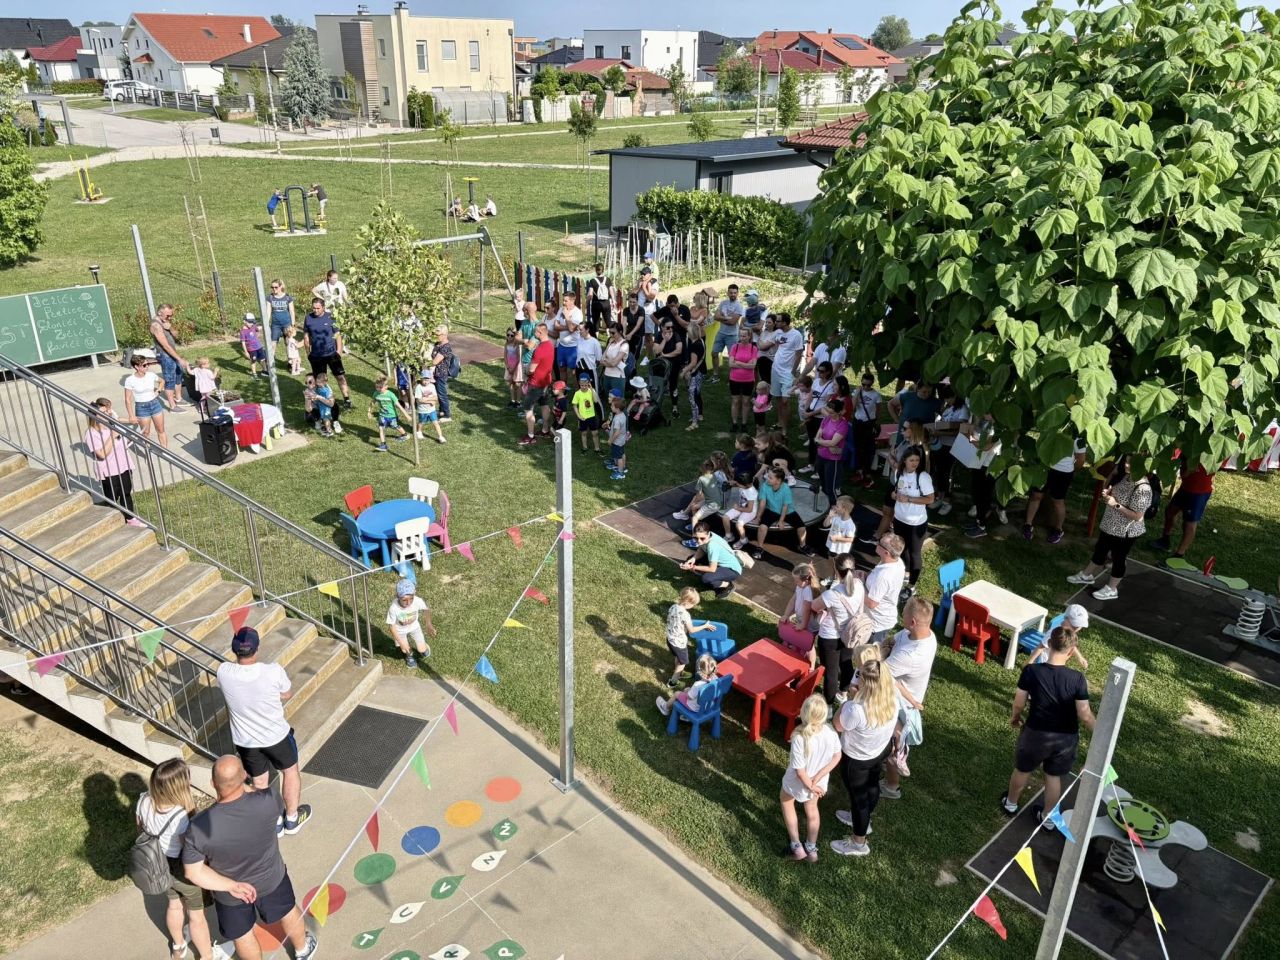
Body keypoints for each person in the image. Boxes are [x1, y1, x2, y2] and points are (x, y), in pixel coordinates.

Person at [182, 756, 318, 960]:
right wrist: (243, 784)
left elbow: (193, 872)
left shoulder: (199, 827)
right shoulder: (268, 800)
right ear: (244, 776)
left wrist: (230, 886)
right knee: (288, 911)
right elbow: (257, 793)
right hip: (272, 879)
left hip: (231, 896)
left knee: (243, 935)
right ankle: (302, 949)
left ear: (212, 783)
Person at [216, 627, 312, 836]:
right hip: (276, 735)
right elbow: (286, 693)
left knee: (260, 782)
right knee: (290, 771)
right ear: (257, 648)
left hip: (247, 742)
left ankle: (275, 822)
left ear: (234, 650)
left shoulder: (223, 672)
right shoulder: (273, 671)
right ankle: (292, 819)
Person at [1000, 625, 1096, 823]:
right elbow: (1085, 715)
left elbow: (1019, 702)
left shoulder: (1031, 671)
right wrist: (1100, 735)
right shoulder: (1078, 679)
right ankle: (1049, 819)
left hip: (1035, 733)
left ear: (1049, 644)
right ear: (1070, 652)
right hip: (1065, 739)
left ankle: (1010, 803)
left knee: (1023, 769)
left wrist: (1015, 718)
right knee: (1053, 777)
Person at [136, 759, 213, 960]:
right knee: (196, 916)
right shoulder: (181, 816)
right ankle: (206, 956)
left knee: (174, 905)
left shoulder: (143, 799)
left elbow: (140, 828)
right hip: (181, 868)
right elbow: (190, 847)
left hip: (158, 867)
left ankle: (178, 946)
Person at [830, 646, 899, 857]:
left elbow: (837, 725)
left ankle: (859, 842)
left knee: (858, 798)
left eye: (860, 677)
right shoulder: (892, 699)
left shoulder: (856, 709)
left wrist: (848, 701)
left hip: (857, 759)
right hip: (880, 751)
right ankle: (863, 816)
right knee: (872, 785)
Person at [1068, 455, 1153, 600]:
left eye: (1129, 463)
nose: (1125, 465)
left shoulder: (1143, 488)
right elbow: (1111, 489)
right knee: (1100, 549)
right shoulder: (1127, 477)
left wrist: (1114, 504)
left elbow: (1137, 516)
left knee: (1118, 558)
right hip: (1110, 524)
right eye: (1125, 461)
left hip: (1125, 531)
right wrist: (1109, 490)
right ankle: (1087, 575)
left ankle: (1112, 589)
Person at [880, 596, 937, 799]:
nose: (900, 615)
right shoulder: (925, 635)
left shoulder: (911, 656)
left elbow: (879, 671)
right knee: (894, 743)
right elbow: (894, 639)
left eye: (903, 613)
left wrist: (881, 652)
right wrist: (888, 645)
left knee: (892, 744)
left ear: (912, 621)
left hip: (900, 704)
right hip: (903, 697)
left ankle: (891, 786)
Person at [780, 695, 842, 862]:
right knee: (813, 811)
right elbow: (837, 756)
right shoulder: (831, 733)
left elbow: (800, 771)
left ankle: (796, 845)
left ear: (803, 713)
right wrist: (817, 780)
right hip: (818, 783)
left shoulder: (799, 737)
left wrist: (809, 785)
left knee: (786, 801)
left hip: (799, 782)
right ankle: (811, 848)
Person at [810, 561, 866, 702]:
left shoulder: (832, 594)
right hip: (850, 634)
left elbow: (814, 606)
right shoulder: (859, 585)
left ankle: (827, 705)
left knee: (831, 672)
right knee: (846, 663)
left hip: (830, 637)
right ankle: (843, 693)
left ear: (836, 570)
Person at [86, 398, 144, 526]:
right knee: (112, 496)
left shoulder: (112, 424)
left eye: (107, 412)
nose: (108, 414)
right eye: (104, 412)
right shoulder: (91, 434)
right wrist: (112, 436)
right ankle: (112, 520)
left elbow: (122, 441)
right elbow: (101, 454)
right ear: (94, 416)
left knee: (126, 492)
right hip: (109, 470)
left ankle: (131, 518)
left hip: (123, 465)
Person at [1024, 439, 1088, 542]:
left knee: (1058, 501)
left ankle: (1058, 529)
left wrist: (1069, 468)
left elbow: (1080, 460)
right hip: (1044, 467)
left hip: (1063, 472)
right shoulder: (1052, 427)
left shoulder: (1078, 437)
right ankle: (1028, 524)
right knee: (1036, 495)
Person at [891, 445, 934, 595]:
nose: (914, 463)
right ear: (904, 461)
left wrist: (909, 499)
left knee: (915, 553)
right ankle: (906, 573)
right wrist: (894, 495)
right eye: (911, 460)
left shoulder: (922, 477)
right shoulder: (899, 473)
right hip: (899, 519)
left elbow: (930, 499)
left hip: (916, 523)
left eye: (917, 460)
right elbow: (896, 490)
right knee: (902, 549)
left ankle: (911, 586)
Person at [1153, 462, 1215, 560]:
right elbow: (1184, 474)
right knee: (1170, 511)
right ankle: (1165, 540)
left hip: (1199, 493)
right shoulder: (1190, 449)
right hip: (1186, 488)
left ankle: (1179, 554)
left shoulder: (1211, 452)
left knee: (1189, 524)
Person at [751, 467, 813, 559]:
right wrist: (758, 517)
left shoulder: (785, 488)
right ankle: (759, 547)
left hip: (787, 511)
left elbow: (785, 506)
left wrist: (781, 520)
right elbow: (762, 504)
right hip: (771, 510)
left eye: (770, 477)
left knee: (801, 527)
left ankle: (802, 546)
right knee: (762, 527)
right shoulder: (765, 486)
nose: (767, 478)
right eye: (768, 476)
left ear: (778, 480)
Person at [661, 587, 716, 688]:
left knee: (678, 658)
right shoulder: (685, 615)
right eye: (693, 604)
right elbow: (691, 630)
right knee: (683, 662)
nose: (693, 606)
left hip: (670, 639)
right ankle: (673, 682)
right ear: (687, 602)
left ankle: (679, 673)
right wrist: (705, 626)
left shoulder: (673, 607)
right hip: (679, 643)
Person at [302, 296, 350, 408]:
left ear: (323, 307)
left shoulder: (331, 317)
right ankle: (324, 401)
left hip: (332, 354)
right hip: (316, 356)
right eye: (314, 308)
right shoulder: (308, 318)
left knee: (340, 377)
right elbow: (306, 337)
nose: (315, 310)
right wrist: (308, 353)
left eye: (318, 308)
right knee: (320, 381)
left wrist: (338, 351)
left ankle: (346, 399)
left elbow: (338, 335)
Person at [680, 522, 743, 598]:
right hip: (720, 564)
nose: (699, 541)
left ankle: (728, 585)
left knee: (706, 579)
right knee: (690, 559)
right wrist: (693, 559)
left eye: (702, 538)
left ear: (708, 534)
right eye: (696, 538)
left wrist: (693, 567)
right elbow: (702, 548)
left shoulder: (712, 546)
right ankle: (713, 575)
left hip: (732, 570)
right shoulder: (708, 536)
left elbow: (712, 568)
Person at [864, 533, 906, 644]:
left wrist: (857, 588)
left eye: (879, 543)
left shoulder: (883, 576)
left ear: (886, 553)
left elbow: (872, 603)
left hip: (877, 624)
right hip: (883, 617)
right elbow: (876, 571)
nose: (877, 543)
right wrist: (865, 576)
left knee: (871, 655)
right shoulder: (895, 561)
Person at [798, 362, 839, 472]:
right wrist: (806, 410)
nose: (819, 373)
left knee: (820, 441)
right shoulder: (816, 381)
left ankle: (819, 466)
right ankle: (811, 464)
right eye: (818, 370)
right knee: (812, 440)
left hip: (821, 417)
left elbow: (827, 404)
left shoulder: (830, 386)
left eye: (822, 371)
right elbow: (810, 397)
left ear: (828, 372)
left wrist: (811, 413)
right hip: (811, 413)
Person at [674, 458, 726, 544]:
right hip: (715, 500)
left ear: (702, 468)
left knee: (694, 517)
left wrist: (695, 500)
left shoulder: (701, 479)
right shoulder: (715, 475)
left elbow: (699, 494)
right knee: (694, 507)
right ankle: (696, 525)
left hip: (712, 504)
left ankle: (695, 540)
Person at [388, 577, 437, 668]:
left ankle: (423, 648)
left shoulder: (417, 601)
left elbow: (426, 610)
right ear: (398, 596)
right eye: (404, 600)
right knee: (405, 649)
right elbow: (392, 627)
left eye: (411, 598)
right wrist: (401, 643)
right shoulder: (393, 608)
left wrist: (428, 624)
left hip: (414, 627)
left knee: (421, 649)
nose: (408, 602)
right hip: (400, 630)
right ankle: (409, 657)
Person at [519, 322, 555, 446]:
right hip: (546, 381)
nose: (534, 334)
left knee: (528, 409)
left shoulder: (539, 349)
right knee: (544, 405)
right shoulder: (550, 345)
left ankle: (530, 436)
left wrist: (526, 373)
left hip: (535, 384)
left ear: (540, 333)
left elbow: (531, 369)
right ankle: (545, 430)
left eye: (535, 332)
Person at [124, 352, 169, 448]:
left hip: (155, 404)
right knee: (146, 433)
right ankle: (148, 454)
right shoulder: (130, 380)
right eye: (144, 365)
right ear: (136, 367)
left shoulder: (151, 375)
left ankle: (165, 452)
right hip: (141, 407)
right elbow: (127, 399)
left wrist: (158, 391)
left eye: (147, 364)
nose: (147, 367)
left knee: (161, 430)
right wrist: (131, 416)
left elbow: (162, 381)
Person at [149, 305, 189, 412]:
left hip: (173, 353)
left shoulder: (165, 322)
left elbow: (176, 335)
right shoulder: (155, 325)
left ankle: (179, 398)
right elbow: (165, 346)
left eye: (171, 315)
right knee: (169, 379)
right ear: (159, 313)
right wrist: (179, 359)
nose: (170, 318)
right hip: (165, 355)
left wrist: (170, 327)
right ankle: (172, 406)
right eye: (168, 315)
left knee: (178, 374)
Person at [812, 398, 849, 509]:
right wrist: (826, 444)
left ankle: (835, 510)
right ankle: (825, 506)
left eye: (831, 412)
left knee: (831, 488)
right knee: (823, 485)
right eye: (827, 410)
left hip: (833, 460)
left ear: (838, 412)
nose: (828, 413)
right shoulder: (826, 419)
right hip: (821, 456)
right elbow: (817, 437)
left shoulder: (843, 424)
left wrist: (822, 442)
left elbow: (833, 442)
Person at [656, 652, 718, 717]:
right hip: (708, 706)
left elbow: (689, 697)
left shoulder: (698, 685)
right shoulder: (716, 679)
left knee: (677, 694)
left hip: (695, 708)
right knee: (687, 689)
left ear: (700, 672)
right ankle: (684, 715)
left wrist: (688, 692)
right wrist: (688, 690)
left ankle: (665, 707)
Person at [1029, 604, 1090, 668]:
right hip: (1048, 659)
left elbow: (1071, 644)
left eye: (1078, 627)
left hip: (1059, 659)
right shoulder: (1054, 632)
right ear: (1065, 618)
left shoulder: (1069, 631)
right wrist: (1029, 662)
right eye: (1074, 626)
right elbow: (1041, 646)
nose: (1074, 630)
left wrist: (1080, 657)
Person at [780, 561, 822, 654]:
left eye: (796, 580)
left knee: (808, 646)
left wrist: (803, 625)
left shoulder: (808, 591)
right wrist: (786, 615)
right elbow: (793, 600)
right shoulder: (800, 586)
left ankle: (811, 666)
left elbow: (807, 610)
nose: (795, 582)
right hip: (803, 620)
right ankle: (798, 651)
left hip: (810, 625)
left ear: (806, 581)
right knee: (800, 641)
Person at [850, 373, 882, 486]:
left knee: (868, 448)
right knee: (858, 447)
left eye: (868, 385)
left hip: (869, 423)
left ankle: (866, 471)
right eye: (863, 384)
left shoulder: (876, 395)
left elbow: (878, 411)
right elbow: (852, 407)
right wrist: (857, 393)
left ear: (872, 384)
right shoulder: (857, 392)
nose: (865, 387)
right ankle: (859, 470)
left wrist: (877, 423)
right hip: (858, 422)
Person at [710, 283, 746, 378]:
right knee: (714, 353)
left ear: (738, 293)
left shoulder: (739, 306)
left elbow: (733, 322)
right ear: (728, 293)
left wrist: (721, 317)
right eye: (731, 292)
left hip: (732, 335)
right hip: (721, 333)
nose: (733, 294)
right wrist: (726, 318)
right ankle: (715, 375)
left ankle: (732, 377)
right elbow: (715, 317)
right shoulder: (723, 303)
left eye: (735, 293)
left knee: (732, 357)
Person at [727, 328, 759, 431]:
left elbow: (753, 366)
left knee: (746, 401)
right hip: (734, 379)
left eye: (744, 336)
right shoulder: (734, 347)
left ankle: (744, 423)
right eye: (740, 335)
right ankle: (734, 423)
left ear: (749, 336)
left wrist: (739, 363)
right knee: (735, 401)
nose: (742, 338)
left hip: (748, 380)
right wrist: (746, 364)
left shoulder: (753, 348)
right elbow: (731, 364)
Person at [369, 374, 410, 452]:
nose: (378, 389)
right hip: (382, 415)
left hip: (392, 416)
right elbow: (372, 402)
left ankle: (405, 435)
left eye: (380, 387)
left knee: (395, 426)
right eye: (377, 387)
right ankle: (383, 445)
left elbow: (399, 406)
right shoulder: (376, 394)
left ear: (386, 387)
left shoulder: (390, 395)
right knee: (381, 428)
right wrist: (369, 411)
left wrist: (406, 415)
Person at [721, 470, 759, 548]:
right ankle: (729, 536)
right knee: (725, 517)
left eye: (739, 484)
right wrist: (731, 482)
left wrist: (738, 508)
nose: (737, 484)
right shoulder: (745, 484)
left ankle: (743, 540)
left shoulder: (752, 492)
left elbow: (749, 509)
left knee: (739, 525)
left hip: (750, 511)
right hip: (741, 507)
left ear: (746, 485)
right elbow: (736, 482)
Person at [823, 495, 857, 580]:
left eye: (837, 506)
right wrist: (830, 516)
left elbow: (850, 539)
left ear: (844, 509)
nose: (835, 507)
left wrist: (837, 538)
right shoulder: (836, 516)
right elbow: (825, 524)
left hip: (841, 549)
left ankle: (837, 579)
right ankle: (831, 576)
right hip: (832, 546)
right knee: (831, 561)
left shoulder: (850, 525)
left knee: (839, 565)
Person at [682, 321, 707, 431]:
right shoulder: (701, 341)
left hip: (696, 373)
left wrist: (683, 371)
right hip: (702, 371)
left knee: (692, 397)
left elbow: (693, 363)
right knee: (697, 394)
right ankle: (697, 415)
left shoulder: (694, 345)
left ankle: (695, 422)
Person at [428, 325, 456, 422]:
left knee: (442, 394)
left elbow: (435, 361)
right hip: (435, 374)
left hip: (441, 374)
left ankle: (447, 415)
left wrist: (425, 362)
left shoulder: (446, 348)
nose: (436, 336)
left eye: (438, 334)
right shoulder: (438, 344)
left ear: (444, 335)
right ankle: (441, 412)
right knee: (438, 393)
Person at [552, 292, 582, 382]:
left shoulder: (578, 313)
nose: (563, 303)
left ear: (572, 300)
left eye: (566, 301)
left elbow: (572, 329)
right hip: (561, 346)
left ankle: (577, 394)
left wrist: (567, 317)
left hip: (573, 347)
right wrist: (567, 327)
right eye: (563, 300)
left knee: (574, 372)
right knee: (562, 369)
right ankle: (563, 391)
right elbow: (555, 326)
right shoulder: (561, 309)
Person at [572, 372, 602, 453]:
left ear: (589, 383)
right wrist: (578, 416)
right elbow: (574, 406)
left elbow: (595, 400)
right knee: (584, 433)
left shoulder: (591, 391)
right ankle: (584, 447)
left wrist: (592, 389)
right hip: (583, 417)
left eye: (585, 385)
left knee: (595, 433)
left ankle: (597, 448)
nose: (584, 387)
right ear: (579, 383)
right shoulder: (577, 393)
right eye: (582, 385)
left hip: (592, 416)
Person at [266, 280, 296, 360]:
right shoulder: (270, 298)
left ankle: (290, 362)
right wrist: (266, 324)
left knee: (288, 343)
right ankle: (271, 363)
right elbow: (268, 312)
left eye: (276, 287)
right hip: (275, 325)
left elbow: (292, 311)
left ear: (281, 287)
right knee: (273, 343)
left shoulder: (287, 297)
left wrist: (293, 325)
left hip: (287, 324)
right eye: (272, 287)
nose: (274, 289)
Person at [414, 370, 447, 443]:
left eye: (427, 380)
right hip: (422, 410)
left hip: (432, 410)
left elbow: (435, 397)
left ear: (430, 379)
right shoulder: (419, 387)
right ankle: (419, 431)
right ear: (421, 379)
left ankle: (440, 436)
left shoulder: (432, 386)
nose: (426, 382)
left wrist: (427, 399)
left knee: (436, 422)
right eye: (424, 380)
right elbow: (419, 400)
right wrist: (430, 401)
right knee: (421, 422)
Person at [600, 322, 630, 401]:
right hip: (607, 375)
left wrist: (607, 361)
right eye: (609, 332)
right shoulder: (611, 343)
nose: (611, 335)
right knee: (610, 400)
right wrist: (609, 344)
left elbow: (614, 363)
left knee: (618, 401)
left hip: (618, 376)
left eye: (613, 333)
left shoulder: (624, 345)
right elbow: (601, 360)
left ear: (620, 332)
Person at [620, 291, 646, 378]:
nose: (631, 303)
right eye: (630, 302)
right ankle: (628, 373)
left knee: (635, 356)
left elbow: (638, 325)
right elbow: (624, 322)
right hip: (628, 335)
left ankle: (633, 375)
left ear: (637, 301)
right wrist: (624, 333)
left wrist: (631, 334)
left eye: (634, 302)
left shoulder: (641, 310)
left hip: (638, 335)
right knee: (627, 354)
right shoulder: (626, 310)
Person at [586, 262, 614, 331]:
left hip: (596, 303)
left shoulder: (592, 281)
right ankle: (610, 335)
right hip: (606, 303)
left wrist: (587, 302)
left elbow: (590, 294)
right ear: (603, 270)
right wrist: (613, 300)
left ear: (596, 271)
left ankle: (596, 336)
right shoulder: (607, 280)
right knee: (608, 320)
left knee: (596, 321)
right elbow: (611, 291)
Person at [607, 393, 629, 479]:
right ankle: (623, 467)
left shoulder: (617, 419)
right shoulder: (622, 415)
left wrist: (610, 440)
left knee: (618, 457)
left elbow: (616, 433)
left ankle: (620, 473)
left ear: (617, 408)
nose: (610, 407)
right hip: (622, 440)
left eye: (612, 406)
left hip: (617, 441)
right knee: (622, 453)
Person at [239, 313, 267, 380]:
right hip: (251, 349)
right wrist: (246, 352)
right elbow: (243, 343)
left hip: (259, 347)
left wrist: (264, 324)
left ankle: (265, 371)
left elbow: (258, 328)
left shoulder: (253, 326)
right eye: (250, 322)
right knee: (253, 361)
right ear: (244, 321)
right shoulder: (243, 332)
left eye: (252, 322)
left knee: (262, 359)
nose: (251, 324)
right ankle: (254, 374)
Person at [575, 322, 603, 387]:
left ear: (587, 330)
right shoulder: (579, 340)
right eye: (578, 329)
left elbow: (599, 359)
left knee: (592, 391)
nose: (579, 331)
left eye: (581, 329)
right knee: (581, 390)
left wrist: (592, 366)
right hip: (579, 369)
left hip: (590, 370)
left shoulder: (595, 342)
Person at [503, 327, 523, 406]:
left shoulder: (517, 345)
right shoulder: (506, 344)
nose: (509, 337)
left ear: (515, 336)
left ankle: (518, 401)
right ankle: (512, 400)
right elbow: (505, 356)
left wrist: (514, 368)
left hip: (516, 366)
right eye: (508, 335)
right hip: (509, 366)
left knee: (517, 384)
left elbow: (518, 357)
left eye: (512, 335)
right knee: (510, 383)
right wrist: (507, 366)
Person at [313, 373, 337, 437]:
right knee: (324, 419)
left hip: (326, 408)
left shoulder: (326, 390)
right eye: (317, 382)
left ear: (324, 382)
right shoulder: (318, 388)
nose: (317, 384)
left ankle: (329, 431)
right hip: (321, 407)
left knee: (326, 419)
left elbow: (330, 399)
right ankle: (327, 429)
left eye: (319, 382)